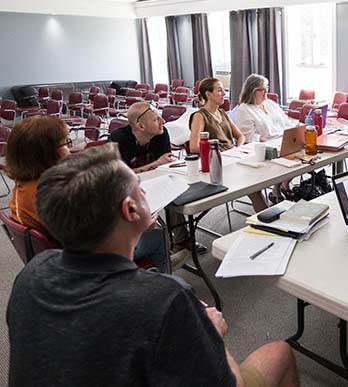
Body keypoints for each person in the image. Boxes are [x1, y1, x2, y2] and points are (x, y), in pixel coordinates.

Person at [7, 143, 300, 387]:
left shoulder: (32, 273)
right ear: (130, 209)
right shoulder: (164, 298)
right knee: (279, 353)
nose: (146, 193)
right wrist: (212, 334)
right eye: (140, 188)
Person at [5, 116, 170, 273]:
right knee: (157, 237)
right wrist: (139, 226)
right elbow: (100, 239)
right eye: (66, 143)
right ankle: (164, 276)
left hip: (54, 260)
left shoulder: (24, 185)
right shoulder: (50, 195)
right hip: (88, 261)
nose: (70, 150)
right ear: (46, 152)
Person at [108, 101, 205, 260]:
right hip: (124, 190)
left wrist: (157, 167)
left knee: (172, 191)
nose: (163, 122)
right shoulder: (118, 140)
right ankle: (154, 248)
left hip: (153, 181)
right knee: (150, 209)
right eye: (156, 119)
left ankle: (181, 239)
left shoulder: (161, 133)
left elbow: (166, 165)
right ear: (140, 126)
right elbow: (119, 177)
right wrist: (154, 164)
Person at [190, 77, 268, 212]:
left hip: (232, 156)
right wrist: (217, 152)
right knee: (254, 186)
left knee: (259, 177)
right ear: (208, 94)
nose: (224, 94)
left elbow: (240, 136)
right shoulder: (200, 116)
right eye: (219, 90)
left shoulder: (221, 113)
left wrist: (238, 148)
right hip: (219, 162)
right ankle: (268, 220)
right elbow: (194, 146)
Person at [235, 74, 296, 142]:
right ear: (252, 91)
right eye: (262, 89)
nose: (266, 91)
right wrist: (269, 143)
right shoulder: (244, 109)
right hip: (269, 145)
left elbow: (287, 123)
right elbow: (248, 136)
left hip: (286, 141)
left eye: (266, 88)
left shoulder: (270, 103)